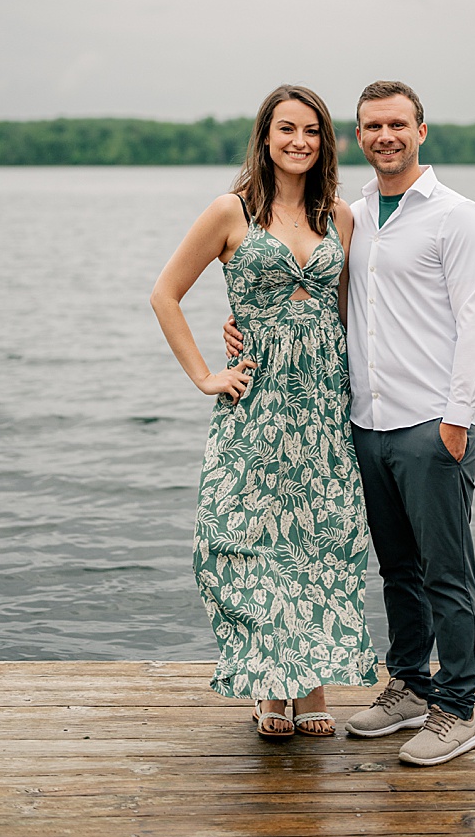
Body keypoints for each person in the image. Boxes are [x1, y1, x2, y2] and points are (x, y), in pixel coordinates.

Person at [230, 79, 475, 765]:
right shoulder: (350, 215)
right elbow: (319, 302)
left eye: (398, 124)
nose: (385, 136)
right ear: (357, 137)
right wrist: (244, 326)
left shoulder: (455, 216)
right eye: (372, 126)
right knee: (397, 569)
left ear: (421, 131)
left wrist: (457, 422)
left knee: (447, 572)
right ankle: (408, 684)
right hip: (364, 425)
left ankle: (457, 709)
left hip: (432, 424)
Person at [151, 84, 376, 740]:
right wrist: (204, 374)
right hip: (257, 408)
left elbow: (341, 315)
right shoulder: (231, 212)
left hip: (323, 412)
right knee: (249, 544)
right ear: (266, 136)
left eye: (311, 130)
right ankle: (269, 687)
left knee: (319, 546)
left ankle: (311, 686)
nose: (299, 141)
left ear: (324, 141)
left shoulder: (340, 217)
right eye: (287, 129)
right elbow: (165, 294)